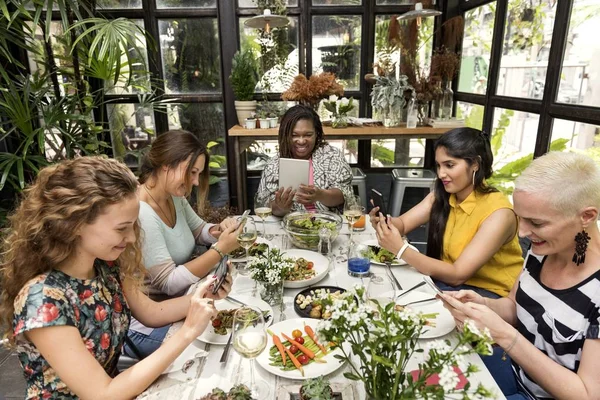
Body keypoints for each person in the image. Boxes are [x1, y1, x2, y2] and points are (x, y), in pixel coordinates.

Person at [0, 157, 232, 399]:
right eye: (122, 228)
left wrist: (203, 296)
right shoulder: (42, 300)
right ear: (74, 224)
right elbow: (102, 393)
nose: (132, 238)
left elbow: (152, 313)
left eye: (133, 226)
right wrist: (188, 332)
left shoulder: (105, 267)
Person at [441, 151, 600, 399]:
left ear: (587, 217)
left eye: (536, 223)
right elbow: (514, 307)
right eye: (520, 219)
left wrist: (505, 336)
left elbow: (588, 394)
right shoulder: (543, 250)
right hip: (511, 371)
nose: (523, 233)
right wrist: (483, 305)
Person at [127, 130, 241, 358]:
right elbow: (168, 283)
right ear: (167, 165)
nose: (196, 181)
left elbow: (199, 230)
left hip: (184, 299)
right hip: (152, 323)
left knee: (237, 325)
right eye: (192, 172)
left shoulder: (174, 196)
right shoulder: (141, 213)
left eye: (198, 173)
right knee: (222, 345)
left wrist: (219, 230)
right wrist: (220, 250)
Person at [371, 127, 523, 298]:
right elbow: (404, 224)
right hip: (445, 282)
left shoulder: (499, 213)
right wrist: (385, 223)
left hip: (489, 295)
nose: (441, 173)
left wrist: (400, 250)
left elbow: (458, 275)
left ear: (475, 164)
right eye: (438, 165)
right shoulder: (442, 195)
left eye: (449, 165)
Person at [256, 104, 354, 216]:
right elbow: (264, 205)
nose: (301, 141)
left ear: (317, 134)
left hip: (328, 225)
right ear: (285, 135)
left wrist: (320, 195)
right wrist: (281, 207)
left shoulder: (332, 156)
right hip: (288, 226)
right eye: (294, 135)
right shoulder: (274, 164)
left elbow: (345, 195)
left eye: (308, 135)